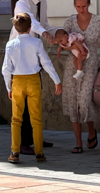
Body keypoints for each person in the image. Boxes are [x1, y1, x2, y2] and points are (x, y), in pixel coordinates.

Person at [11, 0, 60, 155]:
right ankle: (23, 143)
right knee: (22, 102)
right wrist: (45, 33)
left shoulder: (43, 3)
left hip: (33, 55)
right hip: (19, 56)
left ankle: (34, 137)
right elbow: (32, 22)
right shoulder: (22, 4)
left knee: (35, 97)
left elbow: (45, 24)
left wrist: (58, 32)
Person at [61, 0, 100, 153]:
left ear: (89, 4)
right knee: (73, 102)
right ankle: (78, 142)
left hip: (91, 64)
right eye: (78, 6)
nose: (81, 9)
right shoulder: (70, 21)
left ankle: (91, 130)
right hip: (73, 65)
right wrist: (73, 46)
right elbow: (62, 42)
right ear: (74, 6)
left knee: (85, 100)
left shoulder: (98, 21)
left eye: (84, 6)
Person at [3, 13, 62, 163]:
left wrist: (9, 87)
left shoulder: (10, 45)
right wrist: (56, 80)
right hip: (33, 80)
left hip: (17, 82)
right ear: (30, 28)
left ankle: (15, 152)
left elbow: (6, 69)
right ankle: (39, 153)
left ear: (15, 28)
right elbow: (46, 62)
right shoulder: (36, 43)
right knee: (36, 119)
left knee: (16, 119)